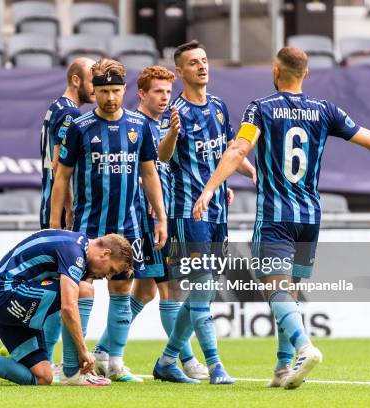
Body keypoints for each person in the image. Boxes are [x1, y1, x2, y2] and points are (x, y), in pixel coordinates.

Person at [191, 46, 370, 389]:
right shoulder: (325, 110)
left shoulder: (261, 108)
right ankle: (283, 367)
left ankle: (305, 347)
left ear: (275, 71)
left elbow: (238, 149)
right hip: (310, 216)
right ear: (306, 73)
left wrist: (209, 189)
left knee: (275, 290)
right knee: (289, 291)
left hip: (276, 214)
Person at [50, 59, 168, 382]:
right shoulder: (80, 126)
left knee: (121, 290)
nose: (111, 97)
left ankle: (114, 360)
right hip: (88, 227)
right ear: (94, 90)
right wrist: (54, 223)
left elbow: (149, 172)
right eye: (104, 91)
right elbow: (62, 178)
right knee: (82, 291)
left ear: (125, 90)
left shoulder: (139, 126)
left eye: (116, 91)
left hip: (128, 226)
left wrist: (161, 217)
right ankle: (73, 365)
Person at [96, 65, 209, 380]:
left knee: (145, 292)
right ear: (141, 93)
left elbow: (166, 161)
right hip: (145, 222)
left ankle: (103, 351)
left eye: (168, 92)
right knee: (169, 291)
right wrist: (152, 207)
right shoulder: (135, 125)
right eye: (158, 91)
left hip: (163, 216)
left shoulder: (161, 124)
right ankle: (181, 360)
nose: (164, 97)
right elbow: (149, 166)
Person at [153, 40, 255, 385]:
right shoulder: (174, 110)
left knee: (202, 290)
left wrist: (245, 168)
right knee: (203, 284)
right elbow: (162, 157)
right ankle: (215, 366)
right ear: (180, 71)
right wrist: (171, 134)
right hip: (187, 210)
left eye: (204, 60)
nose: (202, 66)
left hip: (216, 212)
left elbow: (228, 149)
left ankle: (168, 360)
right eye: (193, 62)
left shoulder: (219, 106)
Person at [0, 231, 133, 386]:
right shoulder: (74, 252)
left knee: (43, 377)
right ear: (105, 253)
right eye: (112, 270)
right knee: (84, 289)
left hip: (2, 304)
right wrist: (83, 351)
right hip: (6, 296)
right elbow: (68, 307)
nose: (108, 276)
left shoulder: (77, 245)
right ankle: (73, 372)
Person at [38, 57, 95, 367]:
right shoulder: (71, 115)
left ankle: (44, 355)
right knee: (69, 288)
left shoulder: (53, 109)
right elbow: (64, 168)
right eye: (91, 80)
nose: (95, 87)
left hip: (47, 201)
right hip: (58, 208)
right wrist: (67, 215)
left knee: (54, 287)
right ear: (76, 80)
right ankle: (50, 358)